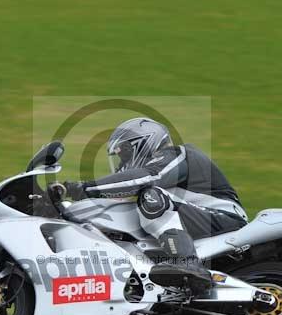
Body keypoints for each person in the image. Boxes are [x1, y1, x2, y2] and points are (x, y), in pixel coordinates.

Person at [64, 117, 248, 293]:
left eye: (125, 154)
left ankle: (187, 262)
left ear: (144, 143)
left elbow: (148, 176)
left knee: (151, 196)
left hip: (224, 218)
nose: (122, 163)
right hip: (197, 220)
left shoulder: (178, 154)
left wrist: (85, 188)